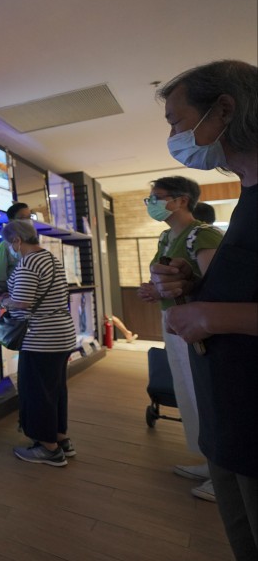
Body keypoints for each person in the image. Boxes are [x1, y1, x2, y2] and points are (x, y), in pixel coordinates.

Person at [149, 60, 257, 560]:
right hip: (232, 421)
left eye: (176, 120)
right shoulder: (247, 198)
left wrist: (213, 317)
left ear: (224, 110)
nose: (174, 134)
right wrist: (197, 289)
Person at [135, 176, 222, 501]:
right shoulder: (165, 236)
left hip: (196, 327)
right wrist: (152, 289)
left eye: (155, 197)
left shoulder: (203, 234)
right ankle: (209, 459)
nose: (151, 204)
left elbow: (216, 289)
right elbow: (162, 278)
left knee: (207, 393)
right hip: (172, 322)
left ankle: (223, 471)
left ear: (181, 200)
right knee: (188, 391)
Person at [0, 218, 77, 467]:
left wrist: (3, 301)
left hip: (41, 338)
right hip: (61, 335)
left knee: (38, 392)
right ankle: (61, 439)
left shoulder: (29, 262)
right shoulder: (50, 258)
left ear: (17, 241)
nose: (10, 249)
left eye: (9, 244)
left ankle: (48, 448)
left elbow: (22, 301)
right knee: (55, 390)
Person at [0, 202, 32, 291]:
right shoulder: (5, 246)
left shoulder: (34, 244)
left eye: (29, 217)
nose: (28, 220)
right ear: (12, 221)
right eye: (23, 218)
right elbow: (0, 279)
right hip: (16, 297)